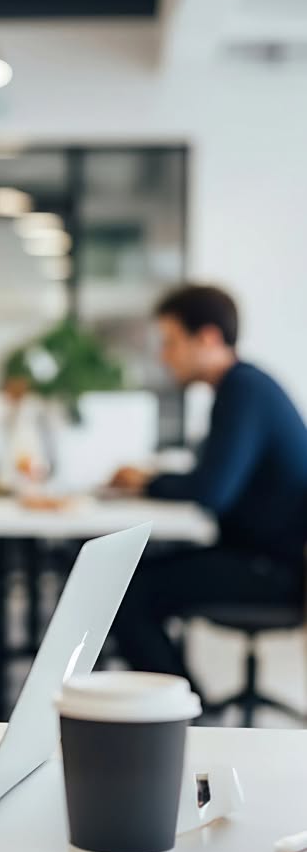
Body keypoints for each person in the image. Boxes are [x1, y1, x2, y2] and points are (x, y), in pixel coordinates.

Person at [109, 284, 307, 680]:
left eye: (171, 342)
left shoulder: (243, 389)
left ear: (208, 338)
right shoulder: (244, 386)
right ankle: (180, 700)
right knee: (132, 577)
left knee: (125, 593)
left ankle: (184, 706)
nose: (164, 356)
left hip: (274, 569)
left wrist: (148, 482)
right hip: (264, 558)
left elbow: (211, 491)